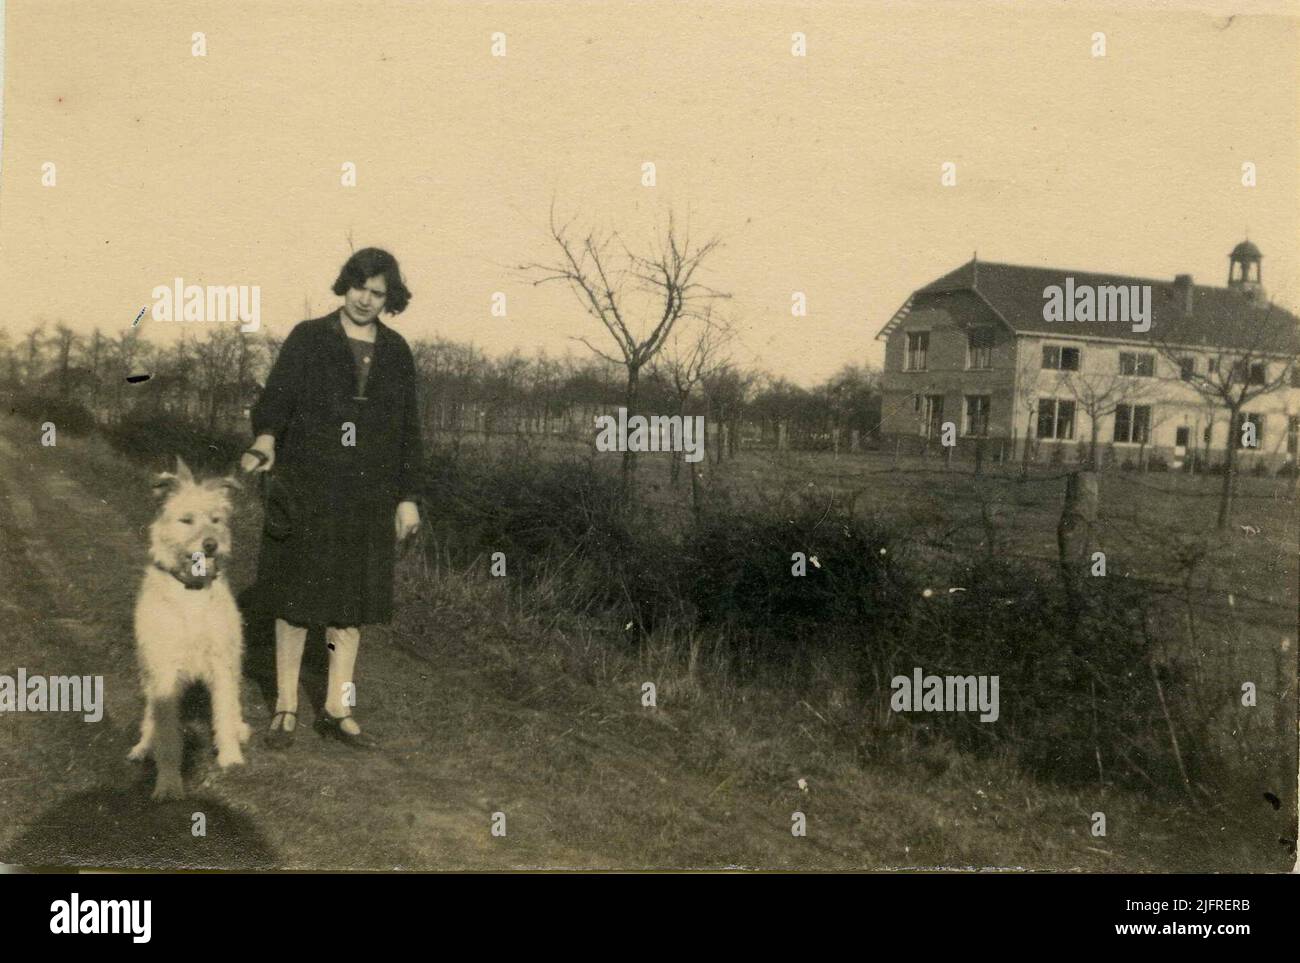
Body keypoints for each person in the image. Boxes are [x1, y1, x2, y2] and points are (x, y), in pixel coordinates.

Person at [240, 247, 423, 749]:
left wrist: (407, 497)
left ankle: (337, 709)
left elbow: (408, 429)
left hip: (368, 495)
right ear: (345, 285)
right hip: (308, 487)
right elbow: (277, 399)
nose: (366, 299)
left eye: (378, 292)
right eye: (360, 286)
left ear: (391, 299)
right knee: (295, 601)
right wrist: (266, 438)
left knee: (351, 607)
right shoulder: (309, 338)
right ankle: (284, 707)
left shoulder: (397, 351)